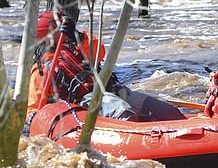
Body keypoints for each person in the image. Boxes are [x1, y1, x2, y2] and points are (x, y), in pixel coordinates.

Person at [28, 11, 186, 122]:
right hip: (85, 102)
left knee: (168, 112)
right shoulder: (43, 69)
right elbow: (34, 108)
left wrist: (76, 35)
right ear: (48, 37)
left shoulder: (78, 46)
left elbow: (99, 50)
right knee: (125, 113)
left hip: (112, 91)